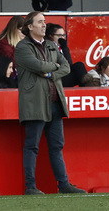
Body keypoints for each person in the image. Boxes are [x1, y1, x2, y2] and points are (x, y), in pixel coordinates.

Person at [15, 11, 86, 195]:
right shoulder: (22, 47)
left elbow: (67, 67)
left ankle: (64, 185)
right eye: (40, 22)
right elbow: (37, 66)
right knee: (32, 146)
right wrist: (54, 68)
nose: (44, 25)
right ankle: (30, 187)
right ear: (30, 26)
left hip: (55, 103)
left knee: (56, 147)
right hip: (35, 104)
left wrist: (50, 73)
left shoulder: (51, 45)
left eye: (44, 22)